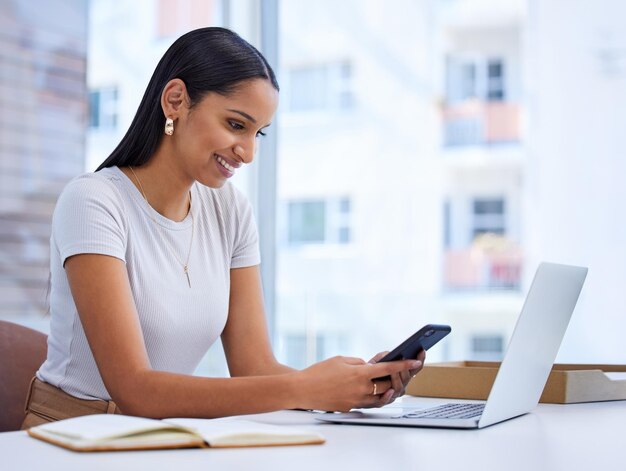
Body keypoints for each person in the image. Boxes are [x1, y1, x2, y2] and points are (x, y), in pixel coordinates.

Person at [23, 27, 424, 427]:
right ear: (176, 100)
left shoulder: (230, 210)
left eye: (258, 133)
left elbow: (254, 368)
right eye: (236, 125)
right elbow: (135, 389)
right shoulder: (93, 201)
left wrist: (353, 386)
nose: (248, 153)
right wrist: (307, 388)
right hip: (73, 435)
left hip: (159, 436)